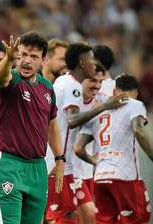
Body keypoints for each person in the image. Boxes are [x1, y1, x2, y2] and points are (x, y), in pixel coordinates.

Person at [0, 31, 65, 224]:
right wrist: (7, 59)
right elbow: (1, 78)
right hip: (9, 164)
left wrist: (60, 159)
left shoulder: (47, 87)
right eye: (22, 55)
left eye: (33, 57)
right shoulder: (12, 79)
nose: (26, 61)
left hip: (37, 168)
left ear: (43, 60)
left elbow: (52, 125)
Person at [46, 43, 126, 224]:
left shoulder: (63, 82)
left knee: (68, 216)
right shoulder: (72, 86)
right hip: (57, 163)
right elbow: (73, 121)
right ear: (82, 63)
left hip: (63, 164)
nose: (94, 64)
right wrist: (105, 107)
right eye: (91, 60)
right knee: (61, 217)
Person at [74, 74, 152, 224]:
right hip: (125, 176)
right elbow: (139, 131)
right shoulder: (135, 104)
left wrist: (94, 160)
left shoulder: (99, 112)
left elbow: (78, 148)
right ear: (136, 92)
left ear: (115, 91)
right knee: (137, 219)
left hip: (100, 177)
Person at [72, 66, 105, 224]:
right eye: (93, 80)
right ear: (81, 80)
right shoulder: (71, 102)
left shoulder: (101, 102)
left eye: (100, 81)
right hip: (72, 173)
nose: (97, 85)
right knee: (92, 217)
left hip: (89, 174)